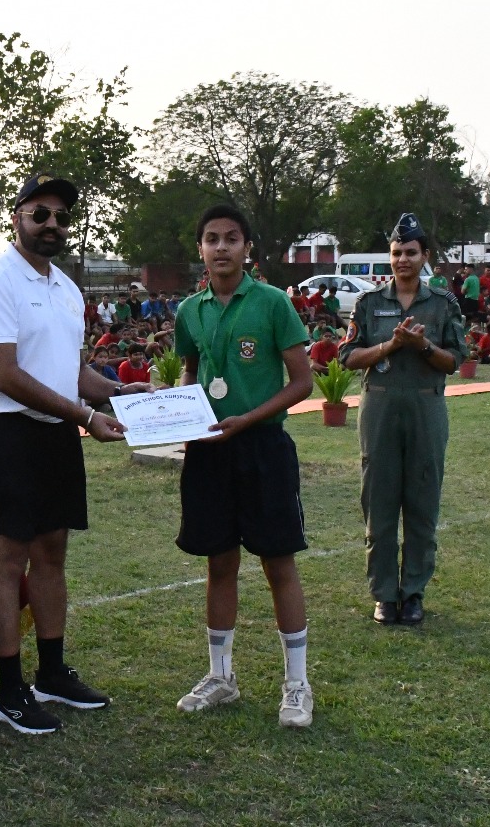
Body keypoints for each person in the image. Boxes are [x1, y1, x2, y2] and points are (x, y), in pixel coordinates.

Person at [0, 173, 149, 735]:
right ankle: (10, 689)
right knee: (8, 560)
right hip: (8, 434)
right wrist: (86, 416)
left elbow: (70, 371)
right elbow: (5, 374)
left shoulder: (66, 289)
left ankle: (50, 673)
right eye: (39, 213)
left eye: (61, 217)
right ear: (15, 217)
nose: (51, 224)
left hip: (55, 436)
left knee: (52, 555)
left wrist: (118, 392)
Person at [172, 204, 315, 727]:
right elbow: (192, 371)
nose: (222, 247)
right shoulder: (190, 311)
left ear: (247, 247)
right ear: (201, 249)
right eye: (212, 239)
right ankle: (221, 677)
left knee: (279, 563)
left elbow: (303, 382)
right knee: (218, 563)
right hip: (210, 451)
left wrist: (249, 417)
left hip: (262, 448)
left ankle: (297, 684)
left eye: (232, 238)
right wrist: (179, 416)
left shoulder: (274, 303)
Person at [339, 212, 468, 627]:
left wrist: (422, 344)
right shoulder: (369, 303)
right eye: (396, 253)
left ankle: (413, 592)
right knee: (378, 500)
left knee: (422, 500)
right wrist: (390, 347)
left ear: (425, 256)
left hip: (425, 407)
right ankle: (384, 595)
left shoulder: (443, 304)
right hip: (379, 406)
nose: (402, 260)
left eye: (410, 252)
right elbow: (348, 357)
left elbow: (455, 361)